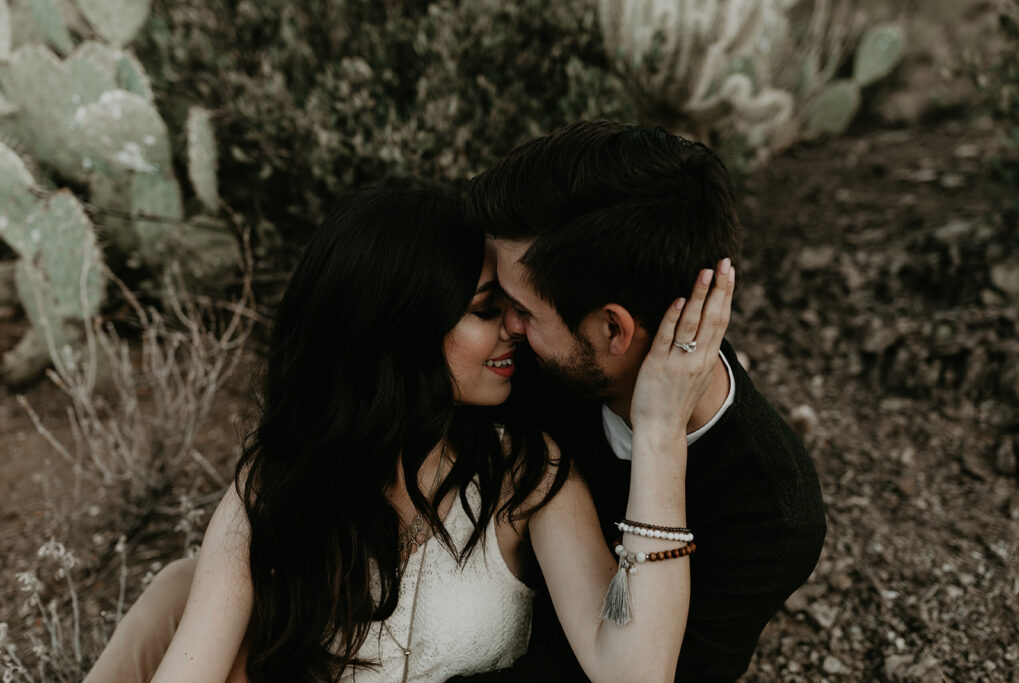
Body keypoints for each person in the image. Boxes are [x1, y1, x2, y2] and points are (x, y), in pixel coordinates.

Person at [84, 186, 735, 682]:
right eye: (485, 309)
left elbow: (636, 671)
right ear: (402, 330)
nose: (514, 325)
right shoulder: (277, 483)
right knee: (178, 585)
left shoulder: (527, 473)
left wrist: (659, 432)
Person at [451, 120, 827, 682]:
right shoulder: (526, 367)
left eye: (524, 310)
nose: (508, 326)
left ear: (613, 330)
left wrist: (658, 435)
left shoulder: (771, 514)